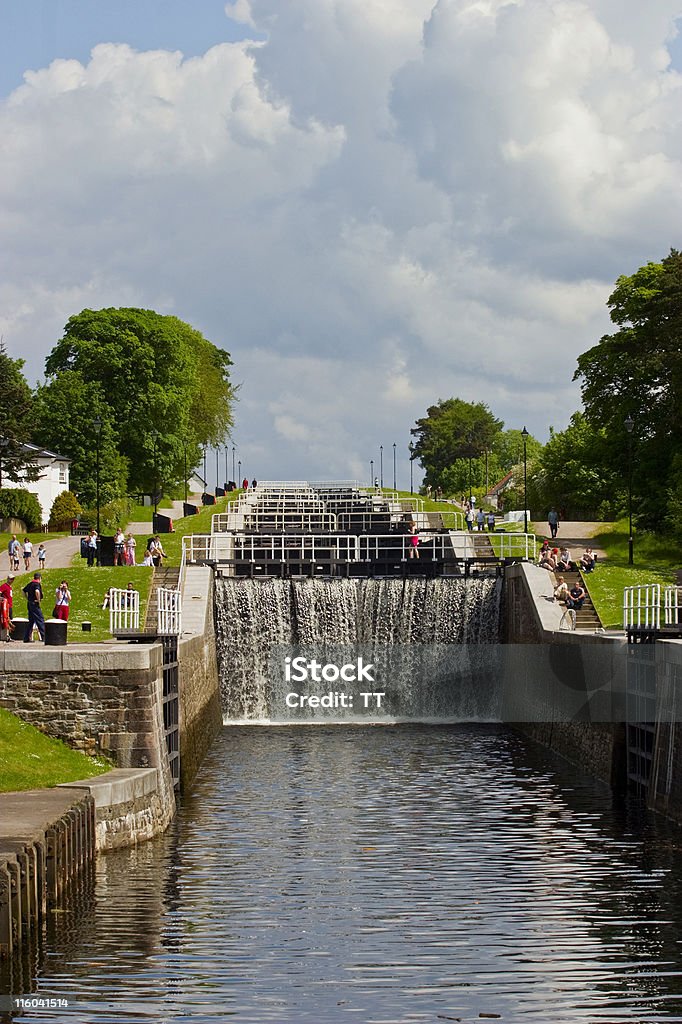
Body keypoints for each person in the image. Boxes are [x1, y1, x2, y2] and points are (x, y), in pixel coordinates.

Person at [23, 571, 45, 643]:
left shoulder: (30, 584)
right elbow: (37, 591)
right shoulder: (36, 584)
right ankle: (44, 636)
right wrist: (38, 600)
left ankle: (26, 638)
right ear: (39, 578)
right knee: (40, 619)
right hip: (34, 604)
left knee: (31, 621)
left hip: (29, 603)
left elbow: (23, 591)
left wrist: (27, 598)